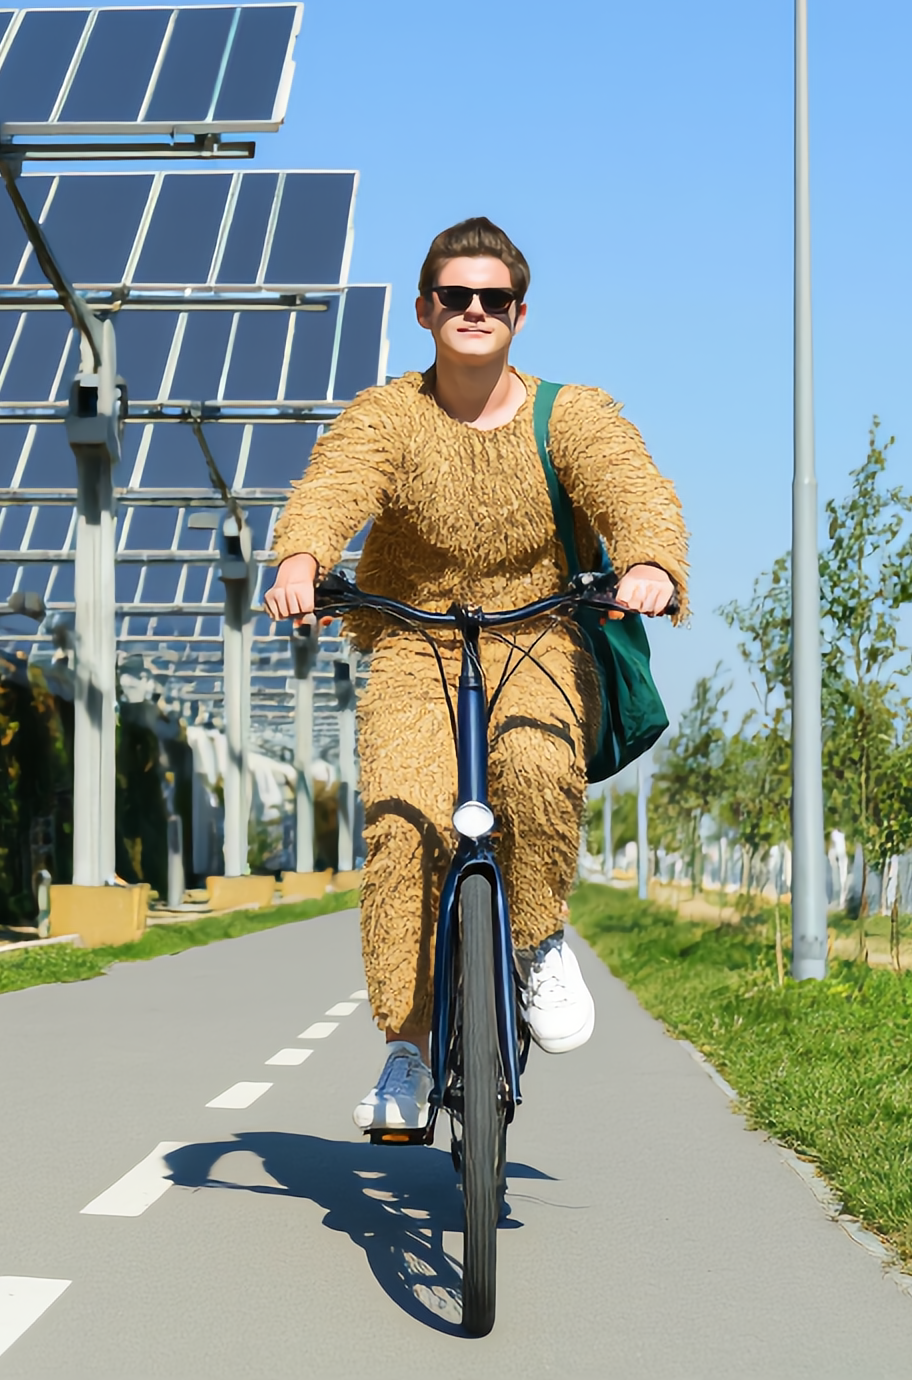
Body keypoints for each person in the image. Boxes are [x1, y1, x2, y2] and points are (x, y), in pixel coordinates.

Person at [262, 217, 685, 1132]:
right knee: (407, 823)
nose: (475, 311)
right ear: (426, 309)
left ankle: (534, 941)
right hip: (415, 643)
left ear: (519, 315)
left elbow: (631, 488)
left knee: (537, 769)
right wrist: (301, 558)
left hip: (537, 636)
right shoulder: (388, 416)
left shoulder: (570, 415)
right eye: (456, 296)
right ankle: (408, 1051)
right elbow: (335, 483)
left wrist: (648, 561)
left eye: (494, 299)